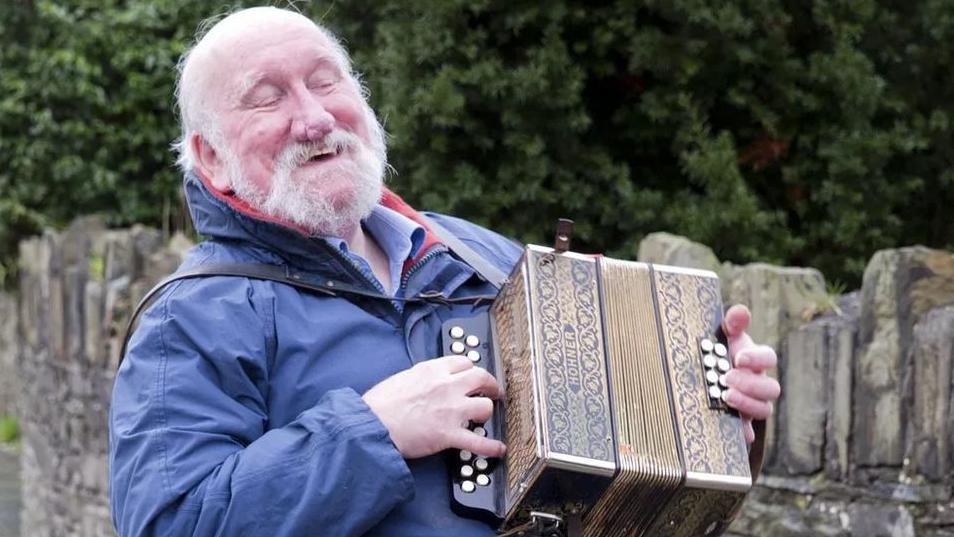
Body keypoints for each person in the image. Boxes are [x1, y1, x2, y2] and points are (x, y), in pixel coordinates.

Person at [108, 6, 781, 537]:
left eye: (325, 81)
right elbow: (171, 521)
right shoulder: (191, 317)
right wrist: (373, 431)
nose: (313, 118)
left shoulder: (476, 253)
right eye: (266, 98)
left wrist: (719, 411)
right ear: (211, 156)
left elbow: (623, 479)